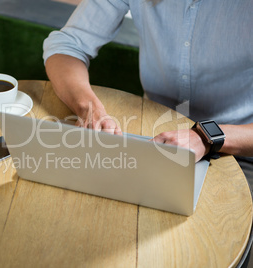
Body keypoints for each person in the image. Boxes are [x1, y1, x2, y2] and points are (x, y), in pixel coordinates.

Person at [43, 0, 253, 183]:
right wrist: (89, 109)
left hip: (235, 149)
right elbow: (67, 45)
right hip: (150, 132)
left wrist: (205, 137)